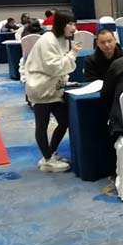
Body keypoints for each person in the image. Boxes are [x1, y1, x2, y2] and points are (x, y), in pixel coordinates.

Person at [24, 10, 80, 172]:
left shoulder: (63, 39)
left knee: (64, 121)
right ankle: (47, 160)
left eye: (74, 24)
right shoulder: (48, 40)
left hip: (54, 88)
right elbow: (54, 67)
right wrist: (73, 54)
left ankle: (51, 153)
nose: (73, 28)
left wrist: (65, 82)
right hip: (41, 88)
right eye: (70, 24)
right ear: (61, 25)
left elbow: (61, 66)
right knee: (42, 125)